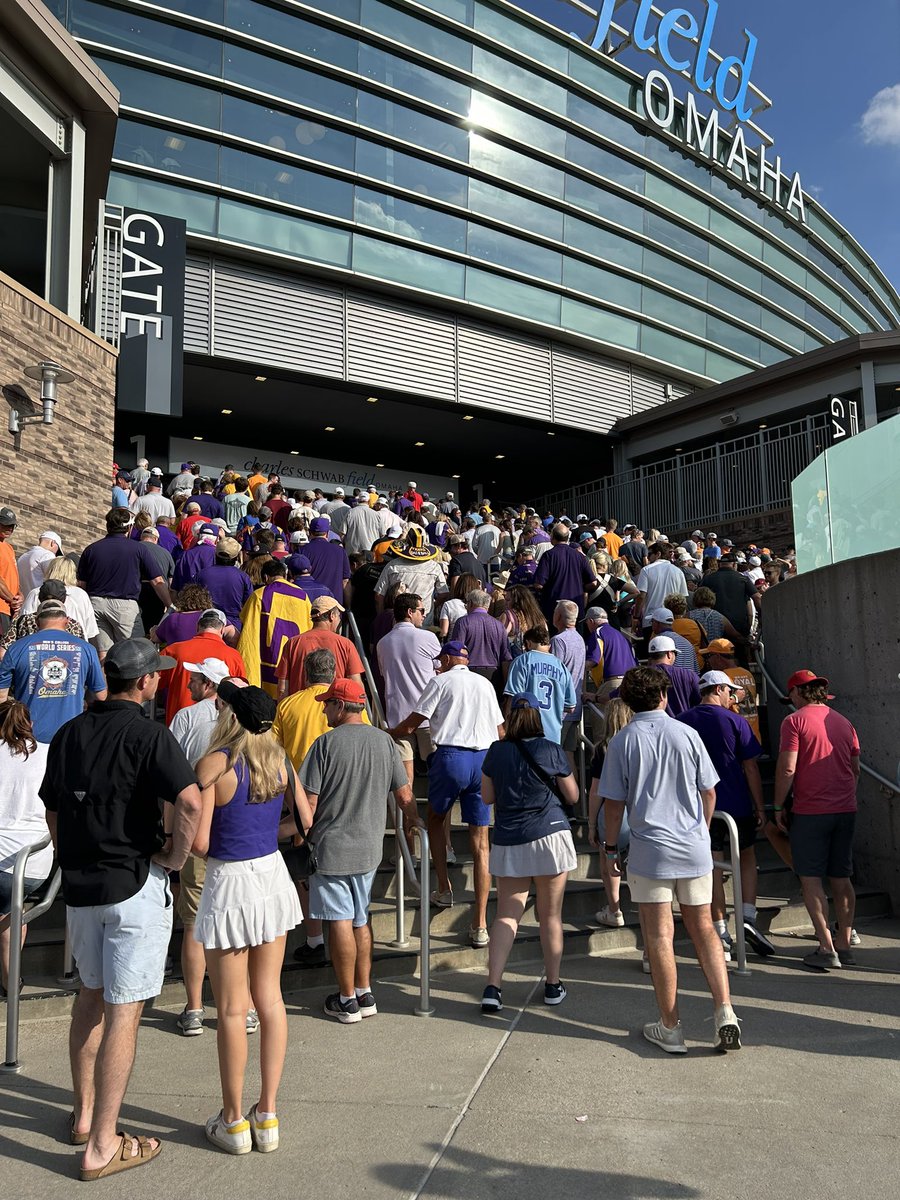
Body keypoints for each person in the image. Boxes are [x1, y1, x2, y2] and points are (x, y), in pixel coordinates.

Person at [40, 638, 202, 1180]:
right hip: (133, 880)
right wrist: (174, 856)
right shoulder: (149, 734)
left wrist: (68, 854)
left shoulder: (68, 734)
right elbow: (191, 800)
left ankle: (86, 1115)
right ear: (147, 682)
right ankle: (102, 1144)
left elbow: (53, 807)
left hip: (85, 885)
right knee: (124, 1012)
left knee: (90, 998)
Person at [598, 666, 742, 1054]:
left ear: (628, 701)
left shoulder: (623, 741)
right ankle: (724, 1009)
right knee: (705, 930)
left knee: (659, 937)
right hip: (693, 845)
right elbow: (709, 792)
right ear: (664, 696)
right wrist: (701, 828)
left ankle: (671, 1025)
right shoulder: (687, 733)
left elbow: (614, 806)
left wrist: (611, 848)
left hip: (650, 851)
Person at [192, 679, 308, 1153]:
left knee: (232, 1009)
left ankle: (234, 1119)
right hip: (271, 875)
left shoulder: (215, 766)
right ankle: (269, 1113)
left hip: (230, 881)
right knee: (271, 999)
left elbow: (199, 844)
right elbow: (304, 823)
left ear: (231, 716)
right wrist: (263, 832)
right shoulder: (281, 761)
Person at [297, 678, 418, 1022]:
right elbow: (405, 793)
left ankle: (347, 998)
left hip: (332, 847)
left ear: (340, 705)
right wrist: (412, 822)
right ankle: (365, 992)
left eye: (327, 704)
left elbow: (309, 801)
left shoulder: (325, 745)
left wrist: (296, 836)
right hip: (369, 847)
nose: (323, 709)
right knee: (361, 919)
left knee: (339, 922)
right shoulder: (384, 742)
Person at [390, 642, 504, 947]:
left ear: (447, 659)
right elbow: (501, 729)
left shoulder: (440, 681)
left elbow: (414, 723)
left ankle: (443, 887)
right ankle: (480, 923)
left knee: (436, 820)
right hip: (483, 759)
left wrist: (387, 733)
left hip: (451, 756)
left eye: (439, 659)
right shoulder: (484, 683)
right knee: (481, 843)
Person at [479, 692, 578, 1013]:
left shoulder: (497, 751)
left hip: (510, 838)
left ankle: (493, 987)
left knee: (507, 915)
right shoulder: (551, 750)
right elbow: (573, 796)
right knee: (550, 915)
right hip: (550, 834)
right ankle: (552, 984)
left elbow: (488, 797)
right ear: (538, 717)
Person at [676, 672, 773, 959]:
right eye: (728, 691)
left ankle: (720, 929)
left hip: (698, 808)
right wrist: (760, 806)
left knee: (713, 867)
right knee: (746, 858)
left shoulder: (681, 721)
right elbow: (752, 767)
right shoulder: (735, 720)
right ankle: (747, 918)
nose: (731, 696)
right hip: (736, 803)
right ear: (718, 689)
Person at [774, 669, 860, 970]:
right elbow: (855, 767)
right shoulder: (843, 722)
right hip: (845, 809)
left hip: (811, 812)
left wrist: (777, 806)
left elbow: (787, 769)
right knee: (841, 877)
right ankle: (845, 943)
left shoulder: (794, 721)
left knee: (810, 879)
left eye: (791, 696)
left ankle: (826, 947)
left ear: (798, 692)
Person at [0, 700, 53, 995]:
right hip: (35, 860)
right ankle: (11, 980)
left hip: (3, 854)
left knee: (9, 912)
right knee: (14, 913)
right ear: (30, 725)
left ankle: (10, 980)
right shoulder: (47, 755)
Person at [0, 600, 107, 742]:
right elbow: (101, 696)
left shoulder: (16, 648)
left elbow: (1, 697)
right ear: (67, 622)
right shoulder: (87, 649)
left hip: (27, 737)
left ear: (37, 622)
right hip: (69, 736)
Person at [77, 508, 173, 654]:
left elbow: (82, 584)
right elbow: (157, 580)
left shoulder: (91, 550)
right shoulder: (138, 549)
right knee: (137, 651)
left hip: (95, 604)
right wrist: (169, 605)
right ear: (129, 527)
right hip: (124, 606)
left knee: (103, 654)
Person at [587, 699, 634, 931]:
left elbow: (595, 790)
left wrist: (591, 824)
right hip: (636, 811)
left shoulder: (602, 749)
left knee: (608, 864)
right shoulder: (637, 745)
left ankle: (614, 909)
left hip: (610, 812)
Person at [160, 608, 246, 724]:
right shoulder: (234, 657)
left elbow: (153, 683)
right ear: (222, 630)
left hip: (178, 723)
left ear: (197, 627)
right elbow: (240, 695)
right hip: (218, 728)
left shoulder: (174, 650)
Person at [237, 567, 312, 696]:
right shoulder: (303, 596)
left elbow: (249, 629)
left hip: (268, 665)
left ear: (265, 578)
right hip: (294, 666)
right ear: (286, 574)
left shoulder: (260, 594)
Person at [276, 596, 363, 698]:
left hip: (300, 710)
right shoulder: (346, 644)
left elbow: (282, 688)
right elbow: (356, 686)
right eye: (339, 616)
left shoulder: (293, 643)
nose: (339, 621)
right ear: (332, 616)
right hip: (334, 710)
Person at [504, 626, 576, 745]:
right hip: (553, 736)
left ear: (528, 643)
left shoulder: (522, 661)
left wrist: (507, 728)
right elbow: (570, 706)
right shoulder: (562, 667)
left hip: (526, 732)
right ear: (549, 645)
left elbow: (513, 698)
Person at [375, 528, 448, 625]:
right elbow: (443, 593)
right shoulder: (434, 567)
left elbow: (378, 596)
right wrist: (430, 607)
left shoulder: (393, 565)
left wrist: (381, 618)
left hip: (397, 621)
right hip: (424, 621)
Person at [697, 639, 760, 740]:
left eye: (708, 656)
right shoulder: (747, 673)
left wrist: (735, 698)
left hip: (736, 736)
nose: (707, 660)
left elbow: (716, 706)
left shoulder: (722, 678)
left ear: (717, 657)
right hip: (753, 736)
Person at [532, 523, 596, 623]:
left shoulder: (548, 556)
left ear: (552, 537)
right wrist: (578, 588)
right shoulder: (579, 556)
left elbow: (538, 584)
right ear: (567, 538)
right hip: (576, 609)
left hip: (554, 610)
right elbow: (593, 583)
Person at [450, 587, 512, 687]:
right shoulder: (499, 625)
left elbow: (457, 651)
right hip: (494, 674)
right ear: (487, 606)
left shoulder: (463, 622)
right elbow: (506, 657)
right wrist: (506, 684)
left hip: (469, 673)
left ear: (470, 603)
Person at [645, 635, 700, 718]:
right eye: (675, 653)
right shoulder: (689, 675)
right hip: (683, 726)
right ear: (669, 654)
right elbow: (702, 699)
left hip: (649, 727)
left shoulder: (641, 677)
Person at [304, 517, 351, 601]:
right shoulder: (340, 551)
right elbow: (345, 581)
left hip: (309, 602)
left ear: (310, 532)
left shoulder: (302, 550)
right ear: (327, 533)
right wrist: (348, 608)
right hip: (334, 604)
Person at [0, 506, 22, 638]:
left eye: (12, 526)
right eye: (6, 524)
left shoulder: (9, 548)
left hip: (9, 609)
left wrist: (20, 595)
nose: (10, 528)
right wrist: (13, 600)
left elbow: (12, 578)